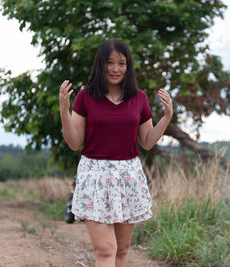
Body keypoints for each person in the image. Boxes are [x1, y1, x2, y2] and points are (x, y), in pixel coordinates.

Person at [58, 39, 173, 267]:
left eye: (121, 63)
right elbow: (74, 142)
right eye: (109, 63)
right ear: (100, 65)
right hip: (95, 176)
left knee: (121, 251)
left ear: (128, 66)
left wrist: (167, 117)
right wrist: (64, 110)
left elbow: (147, 141)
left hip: (127, 175)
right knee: (105, 250)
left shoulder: (139, 98)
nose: (115, 69)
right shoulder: (85, 97)